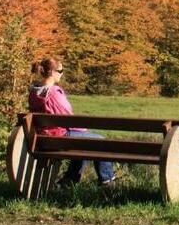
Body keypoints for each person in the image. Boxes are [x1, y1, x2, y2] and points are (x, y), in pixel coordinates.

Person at [29, 57, 116, 186]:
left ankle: (70, 180)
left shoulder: (34, 93)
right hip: (59, 137)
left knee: (83, 143)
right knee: (101, 142)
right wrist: (83, 130)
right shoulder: (54, 94)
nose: (62, 73)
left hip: (42, 138)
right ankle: (107, 180)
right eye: (60, 71)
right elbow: (68, 118)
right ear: (52, 72)